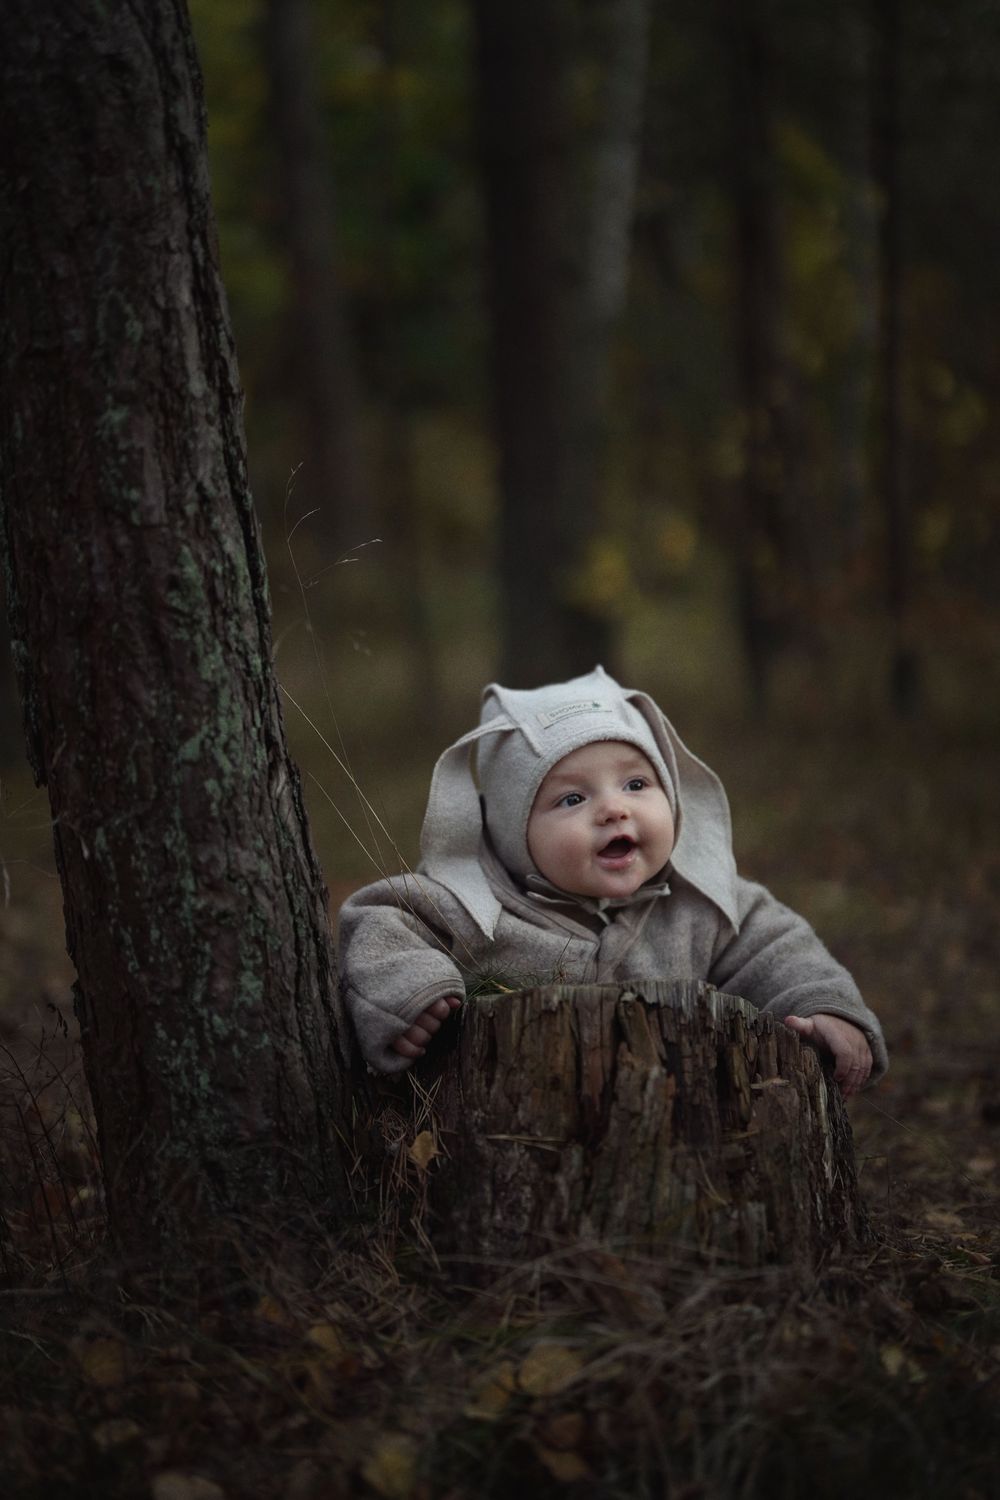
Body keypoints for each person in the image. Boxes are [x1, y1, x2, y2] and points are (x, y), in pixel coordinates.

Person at [338, 666, 887, 1094]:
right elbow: (382, 920)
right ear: (511, 831)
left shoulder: (701, 903)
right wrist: (409, 994)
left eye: (636, 784)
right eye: (573, 798)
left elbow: (778, 948)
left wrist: (826, 1008)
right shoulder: (473, 907)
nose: (613, 811)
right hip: (513, 1148)